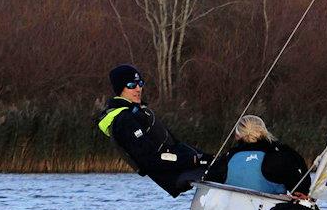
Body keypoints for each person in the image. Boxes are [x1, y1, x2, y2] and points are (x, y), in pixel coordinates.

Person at [97, 64, 214, 198]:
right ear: (120, 89)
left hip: (186, 164)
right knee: (222, 170)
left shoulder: (139, 112)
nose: (138, 88)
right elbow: (150, 159)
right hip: (176, 173)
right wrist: (193, 160)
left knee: (224, 162)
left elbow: (173, 142)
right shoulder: (124, 120)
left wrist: (202, 156)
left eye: (140, 83)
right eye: (131, 85)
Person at [217, 115, 311, 196]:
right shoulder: (280, 155)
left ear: (237, 135)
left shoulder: (228, 158)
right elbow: (301, 187)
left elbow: (210, 180)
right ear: (263, 131)